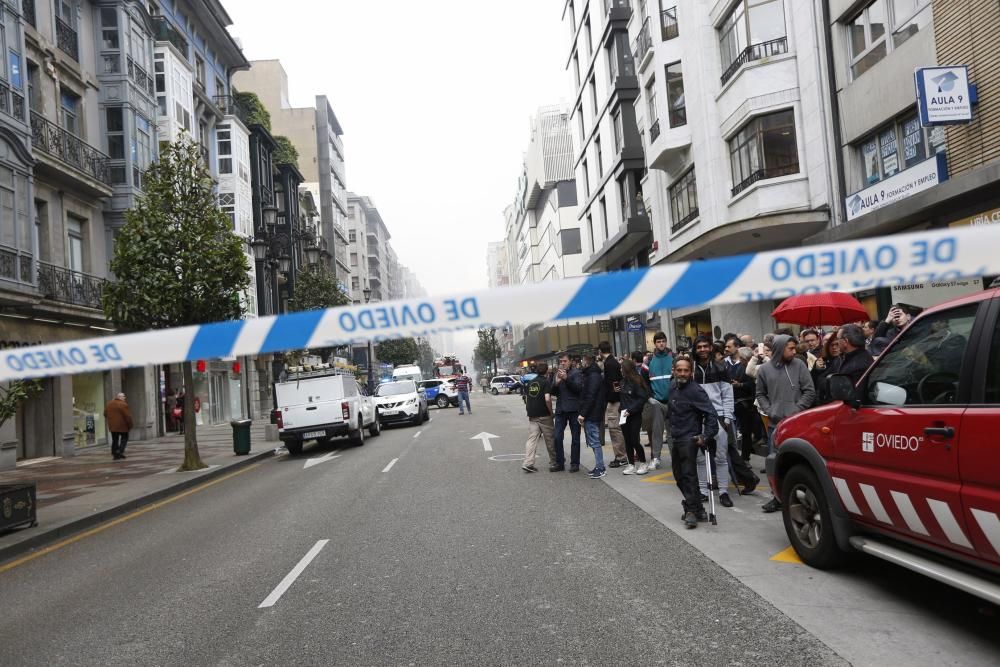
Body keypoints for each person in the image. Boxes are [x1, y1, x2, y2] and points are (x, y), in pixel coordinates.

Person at [756, 334, 816, 512]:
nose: (793, 351)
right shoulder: (764, 370)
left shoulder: (799, 365)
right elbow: (760, 394)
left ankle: (802, 497)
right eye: (790, 348)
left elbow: (809, 391)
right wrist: (770, 410)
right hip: (776, 424)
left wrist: (796, 410)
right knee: (775, 461)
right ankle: (777, 497)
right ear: (779, 348)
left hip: (798, 423)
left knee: (800, 462)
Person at [668, 356, 720, 529]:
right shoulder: (672, 387)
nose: (682, 373)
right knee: (678, 475)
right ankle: (697, 508)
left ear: (691, 372)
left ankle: (691, 511)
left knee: (689, 474)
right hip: (675, 436)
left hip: (689, 438)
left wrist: (706, 436)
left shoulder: (695, 390)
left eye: (686, 370)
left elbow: (711, 414)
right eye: (679, 370)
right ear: (674, 371)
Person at [692, 336, 735, 507]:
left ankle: (724, 492)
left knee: (721, 457)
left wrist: (727, 417)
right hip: (697, 419)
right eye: (699, 347)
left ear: (710, 348)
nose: (702, 350)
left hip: (717, 417)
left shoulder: (721, 368)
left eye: (705, 346)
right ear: (695, 349)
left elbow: (727, 394)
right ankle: (703, 491)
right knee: (700, 459)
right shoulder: (691, 370)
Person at [577, 351, 608, 479]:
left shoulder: (593, 375)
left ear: (587, 361)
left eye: (583, 360)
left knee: (595, 441)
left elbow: (591, 396)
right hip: (593, 411)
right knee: (594, 440)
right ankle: (599, 466)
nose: (582, 363)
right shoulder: (592, 374)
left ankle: (600, 468)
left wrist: (583, 413)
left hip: (592, 412)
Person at [597, 341, 628, 468]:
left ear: (600, 351)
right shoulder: (613, 362)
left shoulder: (609, 364)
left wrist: (612, 398)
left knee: (615, 429)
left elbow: (615, 383)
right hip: (618, 400)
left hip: (615, 402)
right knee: (619, 429)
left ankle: (621, 457)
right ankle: (624, 455)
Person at [551, 353, 583, 472]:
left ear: (570, 361)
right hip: (560, 409)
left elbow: (579, 389)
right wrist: (556, 383)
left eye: (565, 361)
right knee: (557, 437)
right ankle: (560, 462)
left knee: (575, 438)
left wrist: (566, 379)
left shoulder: (576, 373)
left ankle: (575, 463)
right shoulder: (557, 373)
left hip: (574, 409)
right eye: (561, 361)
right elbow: (552, 391)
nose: (562, 363)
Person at [521, 363, 556, 473]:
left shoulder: (531, 382)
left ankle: (528, 463)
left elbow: (526, 397)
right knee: (550, 439)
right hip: (544, 415)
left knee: (532, 439)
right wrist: (551, 412)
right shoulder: (545, 382)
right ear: (547, 372)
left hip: (532, 414)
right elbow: (547, 399)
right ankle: (554, 462)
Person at [645, 332, 672, 470]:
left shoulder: (673, 358)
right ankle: (656, 458)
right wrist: (650, 398)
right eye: (658, 341)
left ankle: (677, 459)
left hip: (673, 402)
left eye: (663, 341)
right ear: (654, 343)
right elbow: (644, 383)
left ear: (666, 342)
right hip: (657, 402)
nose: (661, 343)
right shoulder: (649, 361)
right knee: (657, 432)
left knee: (673, 432)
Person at [618, 359, 650, 475]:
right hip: (623, 415)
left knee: (634, 440)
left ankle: (643, 462)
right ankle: (631, 464)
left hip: (634, 415)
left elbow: (642, 398)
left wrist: (630, 410)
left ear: (626, 369)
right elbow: (623, 398)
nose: (620, 370)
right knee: (627, 440)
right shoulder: (622, 382)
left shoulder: (637, 381)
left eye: (622, 368)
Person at [104, 392, 134, 460]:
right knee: (124, 439)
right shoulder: (123, 404)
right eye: (123, 396)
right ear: (119, 397)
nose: (124, 398)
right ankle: (119, 451)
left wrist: (111, 420)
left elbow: (105, 413)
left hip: (113, 426)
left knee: (115, 440)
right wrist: (130, 425)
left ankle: (115, 454)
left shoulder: (109, 404)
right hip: (122, 426)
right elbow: (128, 416)